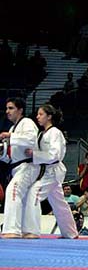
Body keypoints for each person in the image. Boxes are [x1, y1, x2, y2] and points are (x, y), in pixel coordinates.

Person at [23, 104, 79, 239]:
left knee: (34, 193)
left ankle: (33, 230)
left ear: (49, 117)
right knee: (58, 202)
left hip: (53, 171)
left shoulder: (55, 133)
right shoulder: (42, 133)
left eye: (41, 114)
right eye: (37, 114)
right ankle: (71, 233)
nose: (37, 117)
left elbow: (55, 155)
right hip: (45, 170)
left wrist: (34, 154)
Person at [0, 97, 39, 238]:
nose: (7, 111)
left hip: (27, 165)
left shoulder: (27, 122)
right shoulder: (13, 127)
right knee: (28, 198)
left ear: (20, 110)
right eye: (6, 108)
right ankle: (30, 230)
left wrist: (11, 136)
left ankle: (12, 229)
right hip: (17, 165)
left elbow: (31, 139)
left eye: (11, 108)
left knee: (12, 191)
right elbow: (13, 154)